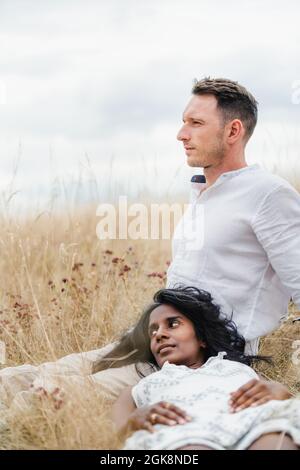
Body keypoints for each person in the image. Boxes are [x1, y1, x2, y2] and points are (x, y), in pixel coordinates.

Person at [168, 77, 300, 355]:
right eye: (184, 122)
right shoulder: (203, 193)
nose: (181, 134)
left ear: (233, 131)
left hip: (212, 359)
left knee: (61, 384)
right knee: (56, 373)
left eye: (196, 123)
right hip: (160, 346)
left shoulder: (268, 193)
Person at [110, 286, 300, 450]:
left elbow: (278, 398)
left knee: (277, 440)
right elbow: (116, 431)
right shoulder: (140, 387)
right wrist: (135, 418)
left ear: (201, 338)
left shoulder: (235, 369)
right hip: (185, 430)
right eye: (153, 331)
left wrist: (279, 390)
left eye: (173, 324)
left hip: (252, 422)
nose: (159, 334)